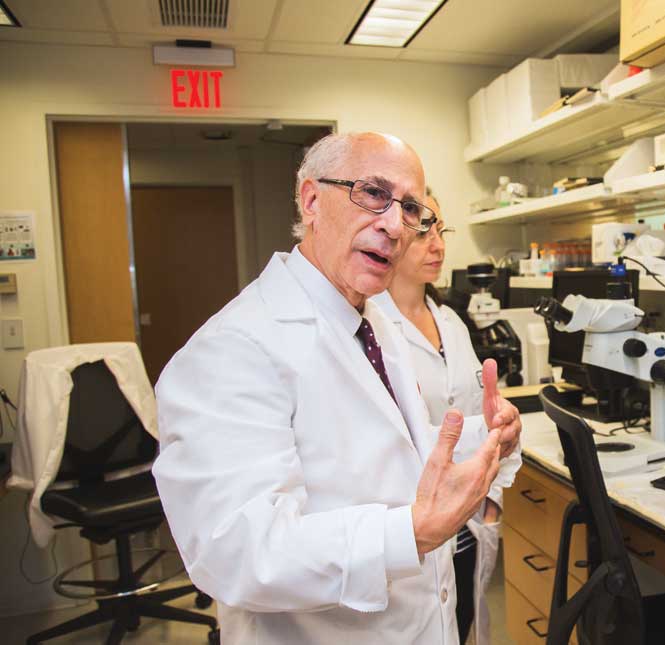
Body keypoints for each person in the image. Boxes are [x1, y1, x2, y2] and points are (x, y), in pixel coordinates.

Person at [152, 132, 522, 644]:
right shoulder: (232, 348)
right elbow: (237, 554)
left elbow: (390, 453)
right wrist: (410, 533)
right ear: (310, 201)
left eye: (410, 207)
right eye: (372, 193)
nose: (395, 225)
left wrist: (488, 435)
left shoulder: (375, 323)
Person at [374, 190, 519, 645]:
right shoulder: (371, 327)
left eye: (441, 231)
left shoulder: (451, 322)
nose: (437, 245)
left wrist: (490, 500)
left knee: (461, 627)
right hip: (409, 537)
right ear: (391, 237)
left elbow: (481, 414)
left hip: (469, 525)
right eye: (422, 233)